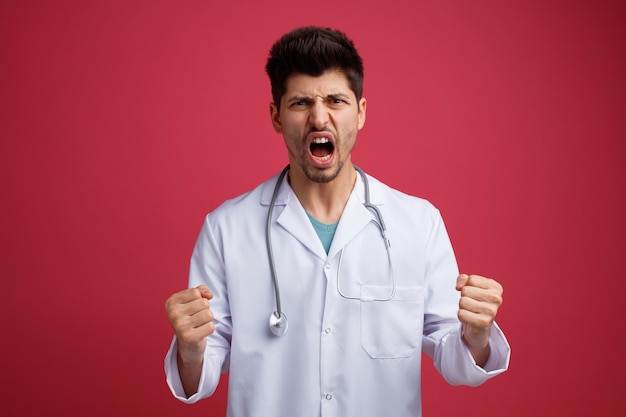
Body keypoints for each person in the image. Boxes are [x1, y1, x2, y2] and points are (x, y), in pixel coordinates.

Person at [164, 26, 510, 416]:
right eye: (299, 103)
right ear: (276, 117)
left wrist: (476, 335)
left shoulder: (418, 223)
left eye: (335, 100)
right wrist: (191, 350)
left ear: (360, 113)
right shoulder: (227, 229)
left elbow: (457, 361)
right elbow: (200, 377)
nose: (318, 117)